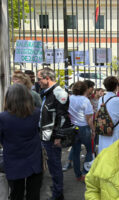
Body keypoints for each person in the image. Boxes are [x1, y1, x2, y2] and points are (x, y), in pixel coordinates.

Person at [0, 84, 43, 200]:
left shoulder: (3, 117)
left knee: (15, 193)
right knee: (33, 193)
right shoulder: (36, 113)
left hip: (13, 158)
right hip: (34, 157)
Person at [38, 67, 71, 200]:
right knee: (52, 165)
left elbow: (62, 117)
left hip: (52, 137)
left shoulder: (59, 93)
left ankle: (58, 193)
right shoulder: (47, 92)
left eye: (40, 79)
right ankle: (57, 188)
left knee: (55, 165)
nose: (38, 81)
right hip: (46, 135)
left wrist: (58, 136)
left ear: (47, 78)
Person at [68, 81, 95, 182]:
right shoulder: (85, 100)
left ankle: (77, 175)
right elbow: (89, 118)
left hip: (73, 127)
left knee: (76, 151)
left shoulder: (70, 98)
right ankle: (85, 172)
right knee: (89, 150)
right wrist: (93, 130)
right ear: (85, 89)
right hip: (84, 127)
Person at [96, 76, 119, 153]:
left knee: (104, 154)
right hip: (114, 133)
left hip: (103, 131)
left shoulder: (101, 99)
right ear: (116, 86)